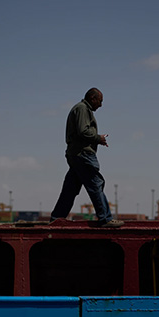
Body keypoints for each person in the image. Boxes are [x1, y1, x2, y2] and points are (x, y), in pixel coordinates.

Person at [51, 88, 124, 227]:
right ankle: (105, 219)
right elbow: (83, 130)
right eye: (100, 101)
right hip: (83, 154)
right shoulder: (83, 108)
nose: (101, 105)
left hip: (76, 154)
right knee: (96, 184)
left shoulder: (81, 109)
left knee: (70, 189)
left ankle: (56, 219)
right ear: (92, 98)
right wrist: (98, 138)